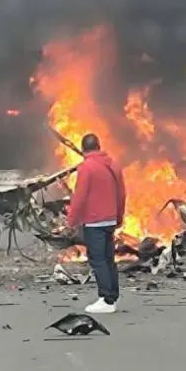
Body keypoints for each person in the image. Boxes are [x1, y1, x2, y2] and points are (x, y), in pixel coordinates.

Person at [67, 133, 126, 314]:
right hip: (110, 219)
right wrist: (119, 216)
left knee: (98, 259)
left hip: (94, 221)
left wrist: (72, 220)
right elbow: (122, 193)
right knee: (109, 259)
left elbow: (80, 196)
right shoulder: (113, 165)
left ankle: (106, 299)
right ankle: (112, 296)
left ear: (84, 149)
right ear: (99, 147)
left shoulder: (87, 167)